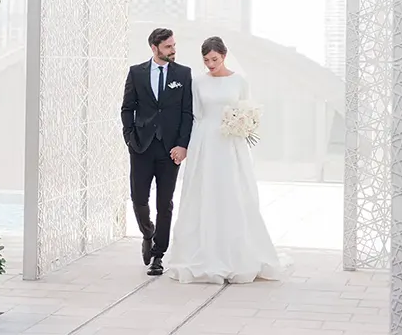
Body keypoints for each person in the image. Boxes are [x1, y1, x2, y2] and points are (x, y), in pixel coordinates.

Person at [164, 35, 292, 284]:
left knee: (233, 191)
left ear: (224, 56)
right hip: (205, 141)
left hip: (231, 143)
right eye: (206, 60)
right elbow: (195, 114)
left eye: (214, 59)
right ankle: (201, 251)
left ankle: (238, 252)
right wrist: (188, 145)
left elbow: (247, 109)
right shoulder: (198, 82)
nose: (210, 64)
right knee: (203, 192)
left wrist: (242, 126)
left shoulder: (239, 81)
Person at [120, 27, 194, 276]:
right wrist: (129, 137)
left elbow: (187, 113)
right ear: (154, 48)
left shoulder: (183, 74)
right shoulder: (136, 73)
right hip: (141, 146)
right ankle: (148, 233)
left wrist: (182, 145)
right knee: (138, 199)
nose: (173, 50)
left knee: (165, 203)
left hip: (170, 150)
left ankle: (159, 255)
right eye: (168, 47)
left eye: (174, 45)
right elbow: (127, 108)